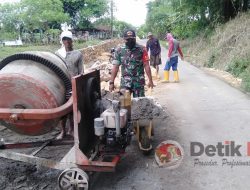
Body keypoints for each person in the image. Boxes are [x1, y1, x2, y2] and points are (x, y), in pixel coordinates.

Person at [55, 30, 84, 139]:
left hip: (73, 85)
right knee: (61, 109)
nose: (66, 41)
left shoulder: (77, 54)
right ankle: (63, 131)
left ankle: (71, 129)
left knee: (72, 109)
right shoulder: (58, 54)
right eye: (64, 39)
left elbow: (81, 71)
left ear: (72, 40)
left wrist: (79, 83)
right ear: (61, 41)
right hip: (61, 86)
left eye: (68, 39)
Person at [109, 29, 154, 97]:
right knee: (125, 105)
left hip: (138, 83)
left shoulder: (142, 49)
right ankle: (126, 107)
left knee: (139, 105)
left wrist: (150, 80)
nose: (130, 41)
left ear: (135, 38)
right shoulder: (119, 50)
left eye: (132, 39)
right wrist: (111, 82)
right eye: (128, 39)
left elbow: (146, 65)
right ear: (124, 39)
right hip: (125, 84)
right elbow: (115, 67)